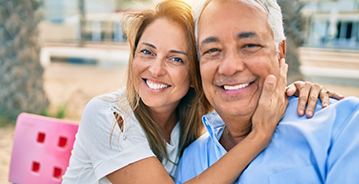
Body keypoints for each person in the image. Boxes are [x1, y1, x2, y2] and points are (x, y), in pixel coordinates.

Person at [62, 0, 343, 183]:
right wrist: (258, 136)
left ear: (195, 74)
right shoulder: (107, 115)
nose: (156, 70)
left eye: (176, 59)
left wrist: (296, 90)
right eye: (146, 52)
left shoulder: (195, 119)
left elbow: (240, 88)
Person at [176, 0, 359, 183]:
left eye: (249, 45)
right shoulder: (191, 160)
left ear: (280, 51)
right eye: (212, 50)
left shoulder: (342, 126)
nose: (230, 67)